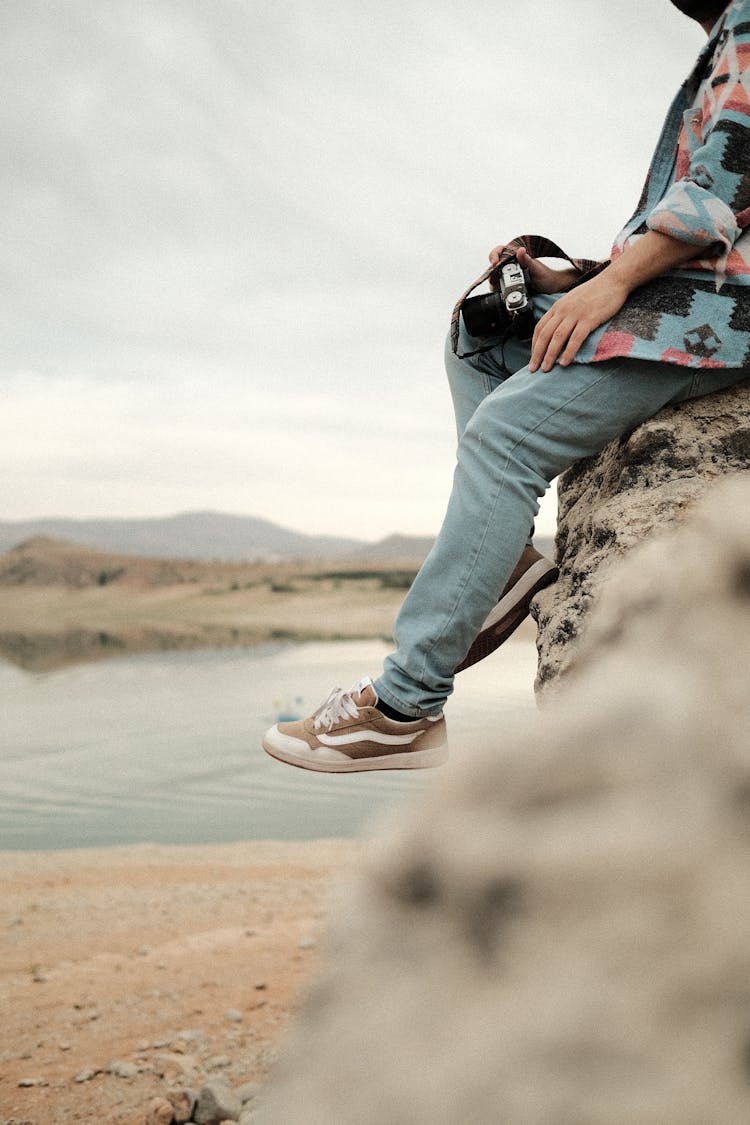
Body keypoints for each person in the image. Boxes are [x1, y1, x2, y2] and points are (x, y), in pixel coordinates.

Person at [263, 0, 750, 773]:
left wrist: (611, 284)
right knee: (480, 332)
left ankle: (403, 707)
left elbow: (726, 181)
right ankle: (511, 559)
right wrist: (575, 275)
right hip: (689, 292)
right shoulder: (723, 39)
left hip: (719, 319)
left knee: (506, 436)